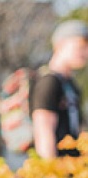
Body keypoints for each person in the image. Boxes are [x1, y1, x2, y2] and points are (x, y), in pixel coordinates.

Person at [31, 19, 88, 158]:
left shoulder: (70, 85)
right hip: (58, 169)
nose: (85, 52)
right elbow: (43, 133)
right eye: (80, 46)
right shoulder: (49, 82)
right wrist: (53, 173)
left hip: (74, 165)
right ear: (60, 45)